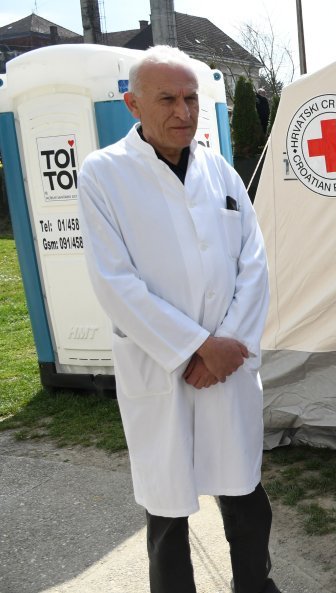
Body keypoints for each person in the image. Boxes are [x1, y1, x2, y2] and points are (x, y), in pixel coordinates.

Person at [77, 46, 279, 593]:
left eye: (191, 98)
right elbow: (114, 283)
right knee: (167, 514)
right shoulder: (104, 175)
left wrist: (227, 345)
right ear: (133, 104)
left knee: (245, 498)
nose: (184, 112)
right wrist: (195, 347)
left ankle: (255, 587)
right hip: (161, 369)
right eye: (167, 98)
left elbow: (254, 263)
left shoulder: (219, 171)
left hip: (227, 368)